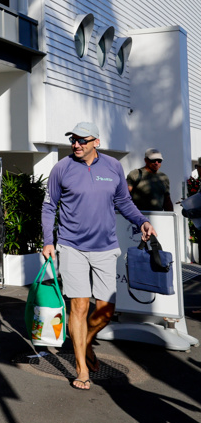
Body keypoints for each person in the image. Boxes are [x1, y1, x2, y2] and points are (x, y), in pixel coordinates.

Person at [41, 121, 155, 391]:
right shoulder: (62, 168)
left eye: (83, 140)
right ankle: (81, 368)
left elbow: (123, 202)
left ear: (96, 143)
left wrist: (141, 221)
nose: (76, 144)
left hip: (105, 246)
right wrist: (48, 241)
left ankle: (87, 341)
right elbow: (49, 206)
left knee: (106, 310)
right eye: (73, 140)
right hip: (71, 246)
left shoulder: (113, 167)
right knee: (79, 307)